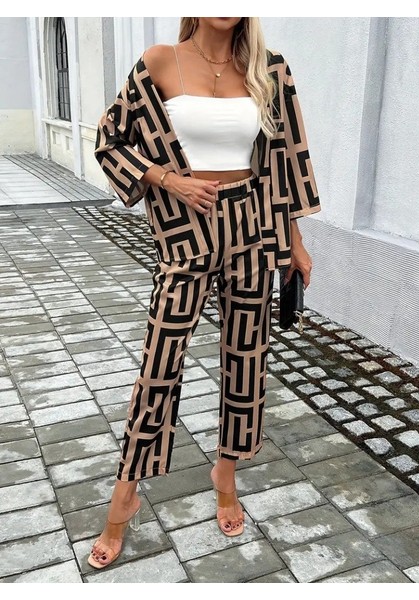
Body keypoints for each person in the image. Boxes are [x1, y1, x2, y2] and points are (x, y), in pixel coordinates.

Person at [89, 16, 321, 569]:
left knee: (247, 358)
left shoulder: (270, 68)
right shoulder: (159, 61)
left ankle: (226, 473)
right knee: (160, 362)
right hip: (186, 229)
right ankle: (126, 491)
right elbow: (110, 140)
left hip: (254, 227)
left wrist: (294, 241)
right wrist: (169, 179)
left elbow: (285, 162)